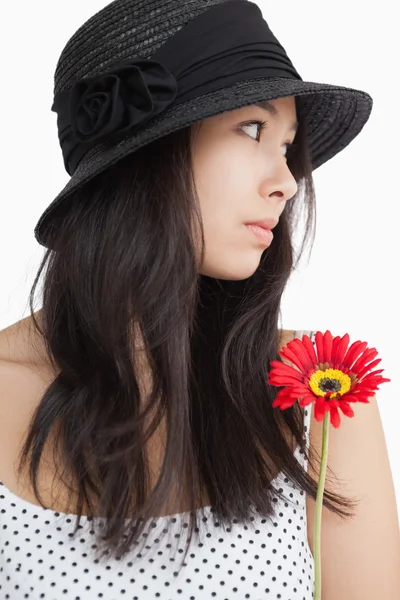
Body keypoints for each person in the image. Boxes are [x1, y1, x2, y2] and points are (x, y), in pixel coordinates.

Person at [1, 1, 399, 599]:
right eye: (252, 129)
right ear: (143, 157)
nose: (287, 180)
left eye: (288, 144)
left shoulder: (319, 391)